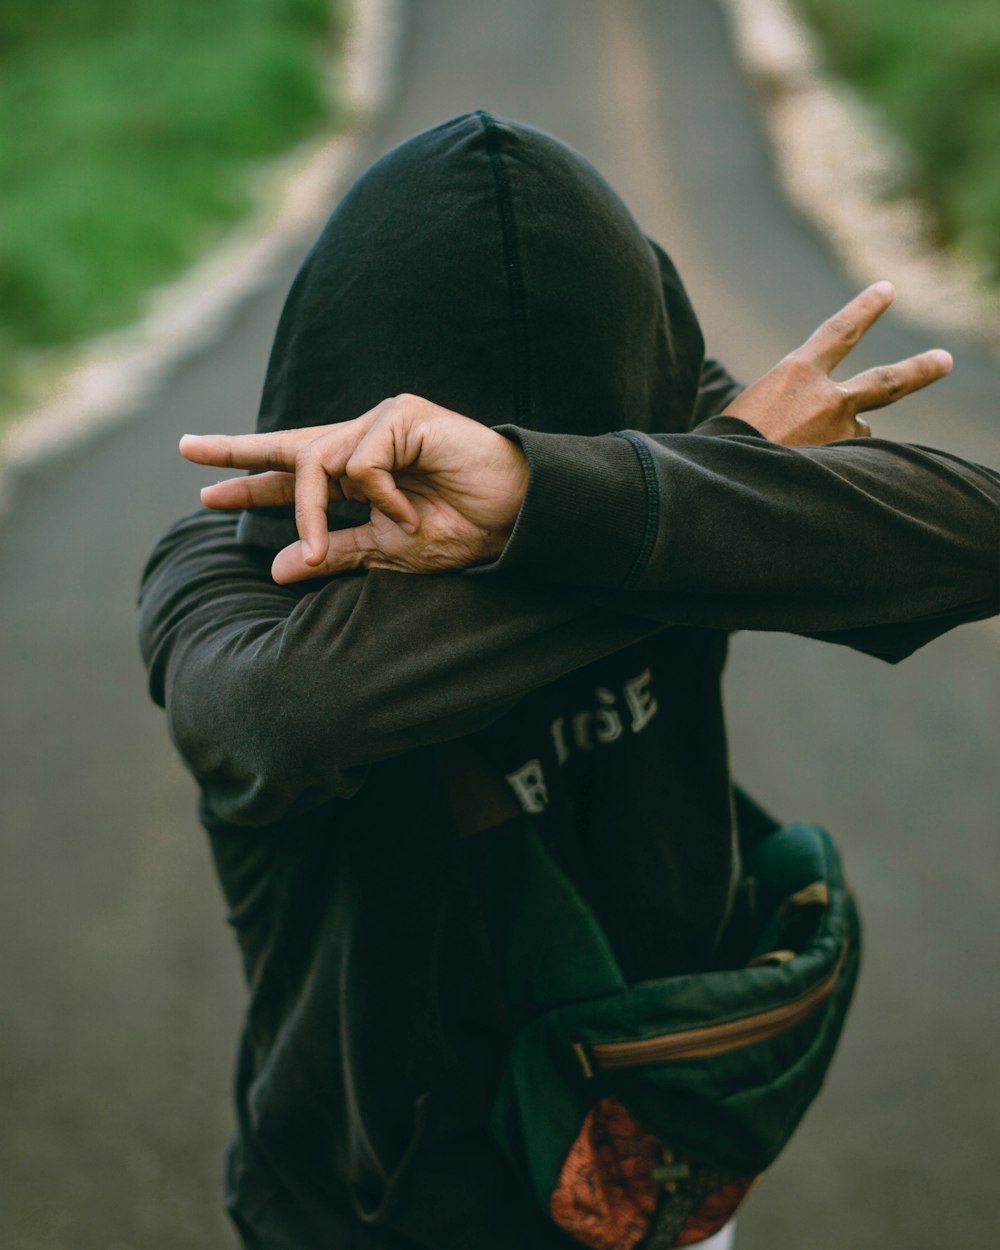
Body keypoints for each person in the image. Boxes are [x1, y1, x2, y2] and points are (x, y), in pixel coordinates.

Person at [139, 112, 999, 1250]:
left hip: (649, 1151)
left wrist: (548, 492)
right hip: (370, 1214)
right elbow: (281, 716)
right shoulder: (231, 563)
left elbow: (969, 534)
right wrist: (613, 508)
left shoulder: (677, 448)